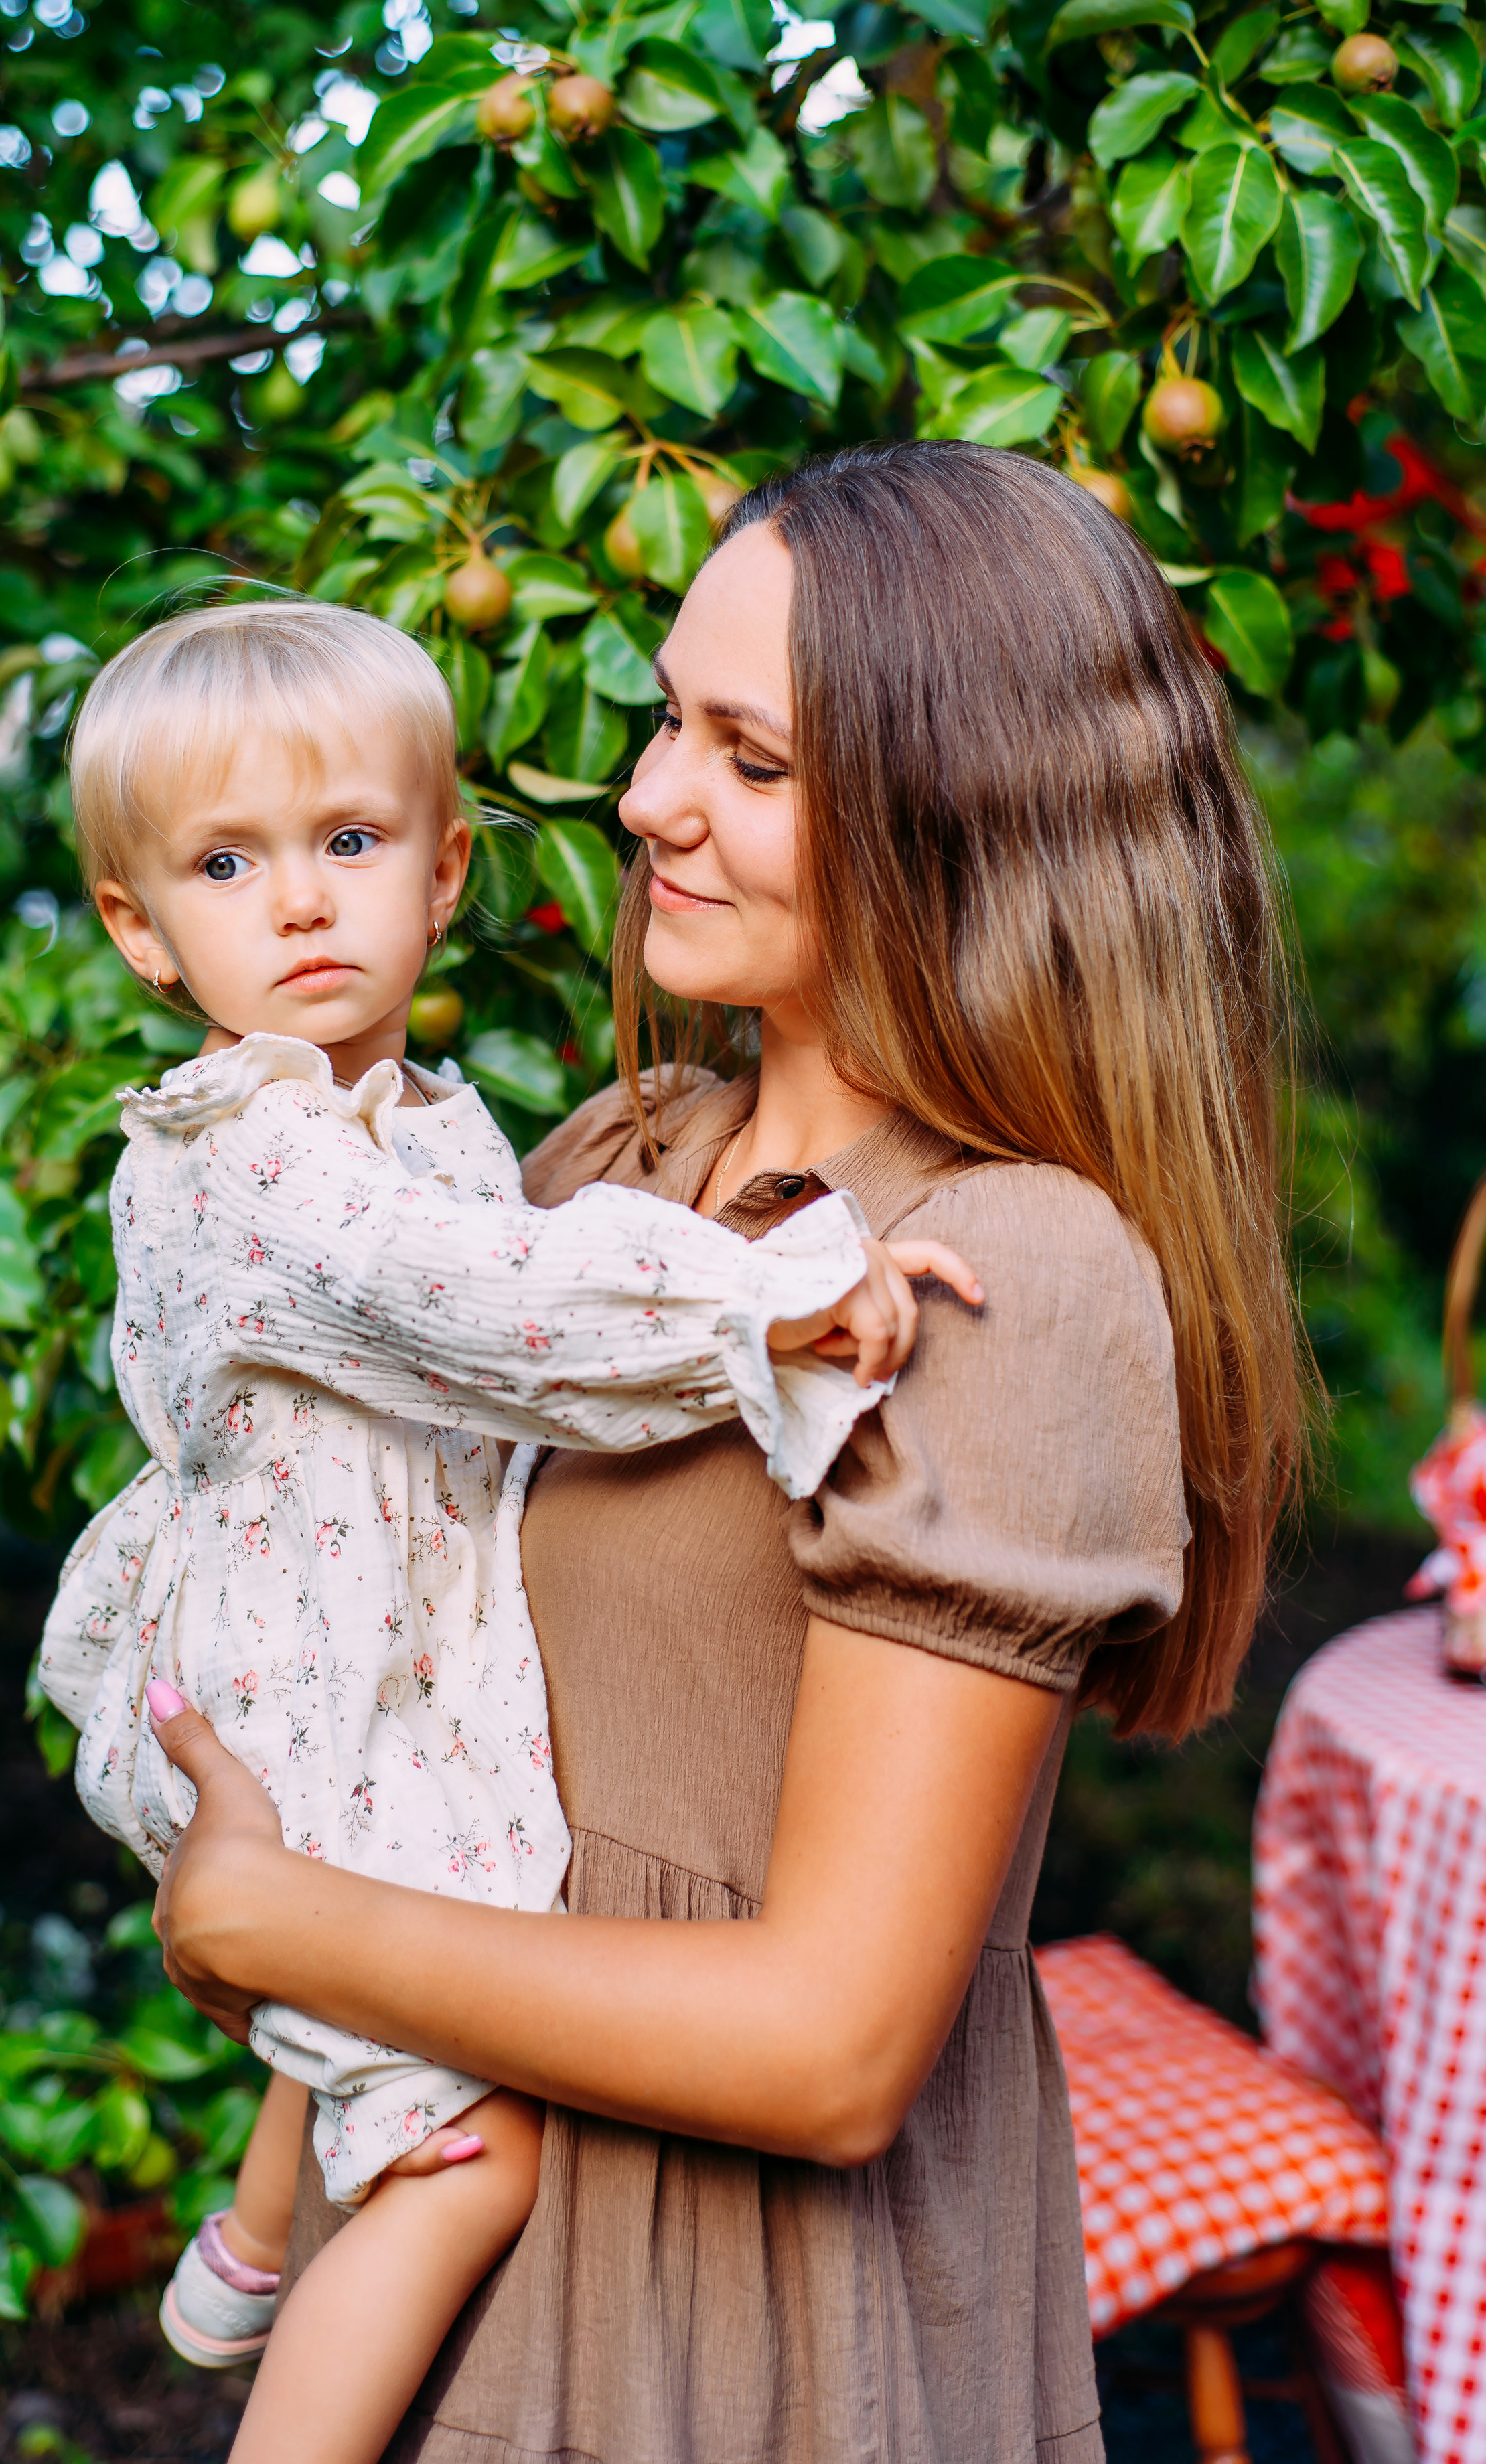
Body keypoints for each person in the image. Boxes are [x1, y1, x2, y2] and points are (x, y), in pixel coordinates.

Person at [146, 442, 1309, 2464]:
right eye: (673, 721)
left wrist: (276, 1921)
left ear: (964, 808)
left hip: (736, 2328)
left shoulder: (1002, 1271)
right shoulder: (624, 1166)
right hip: (463, 2210)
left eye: (749, 759)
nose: (648, 798)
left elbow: (839, 2044)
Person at [38, 594, 978, 2461]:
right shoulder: (263, 1156)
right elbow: (488, 1303)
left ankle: (249, 2226)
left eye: (349, 842)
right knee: (474, 2158)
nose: (300, 903)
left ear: (446, 865)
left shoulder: (423, 1119)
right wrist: (760, 1300)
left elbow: (495, 1261)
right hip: (294, 1675)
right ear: (144, 929)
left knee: (419, 1921)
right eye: (229, 863)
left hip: (367, 1655)